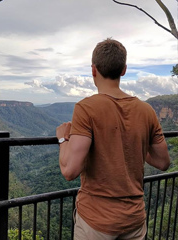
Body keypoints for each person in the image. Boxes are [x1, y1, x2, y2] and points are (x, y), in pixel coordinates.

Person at [56, 38, 170, 240]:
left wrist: (63, 140)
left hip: (96, 222)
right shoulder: (147, 111)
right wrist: (131, 145)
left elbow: (69, 171)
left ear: (93, 70)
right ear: (124, 70)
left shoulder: (86, 108)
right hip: (134, 221)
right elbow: (163, 162)